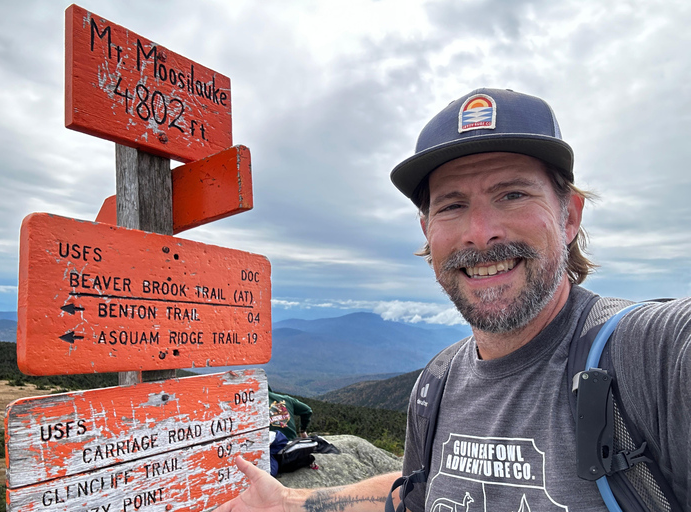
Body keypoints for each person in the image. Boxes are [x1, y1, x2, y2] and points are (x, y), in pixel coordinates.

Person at [216, 88, 690, 511]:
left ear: (569, 217)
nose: (480, 234)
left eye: (512, 194)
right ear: (427, 231)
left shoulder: (652, 354)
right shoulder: (437, 383)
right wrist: (292, 502)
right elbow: (419, 488)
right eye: (452, 204)